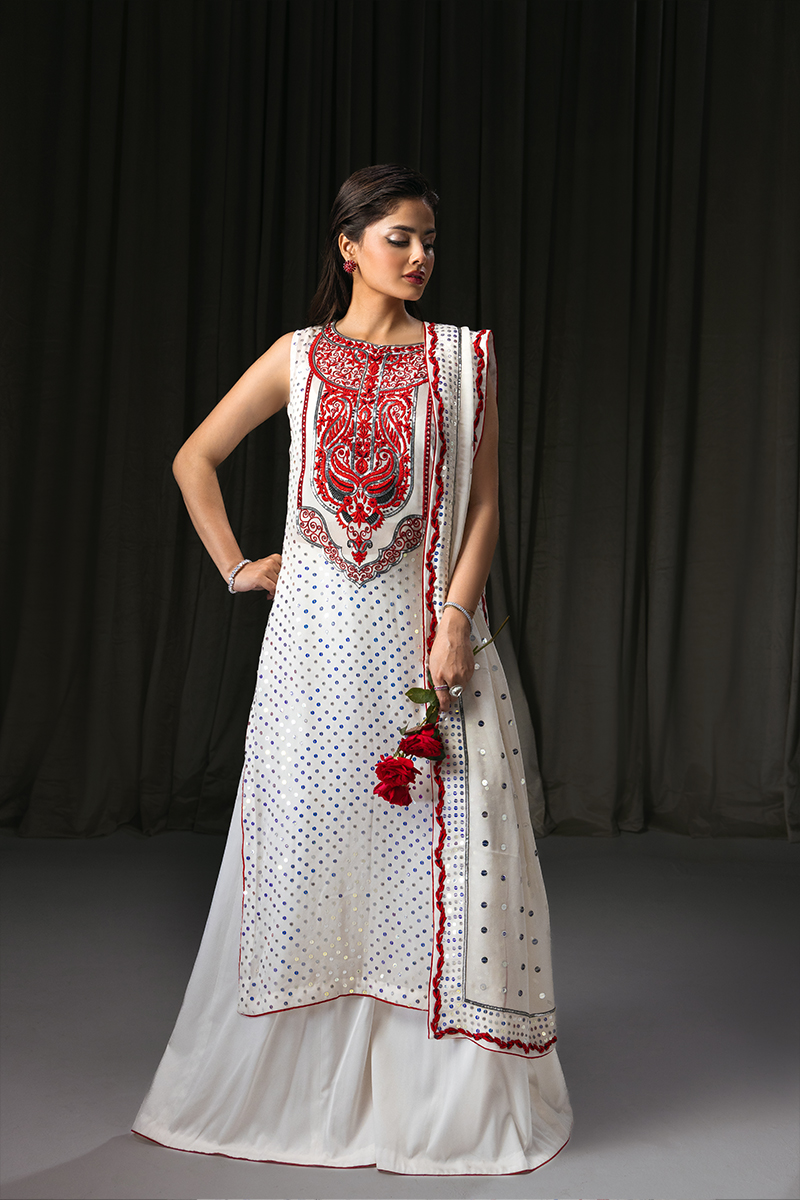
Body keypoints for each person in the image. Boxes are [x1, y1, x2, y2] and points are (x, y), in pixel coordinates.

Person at [132, 164, 572, 1175]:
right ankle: (305, 1091)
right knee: (310, 853)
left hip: (424, 647)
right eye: (398, 238)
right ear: (348, 247)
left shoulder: (461, 360)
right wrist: (239, 565)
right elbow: (194, 458)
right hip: (315, 654)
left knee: (433, 858)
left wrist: (454, 621)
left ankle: (434, 1099)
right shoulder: (298, 357)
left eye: (429, 241)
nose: (418, 257)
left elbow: (484, 508)